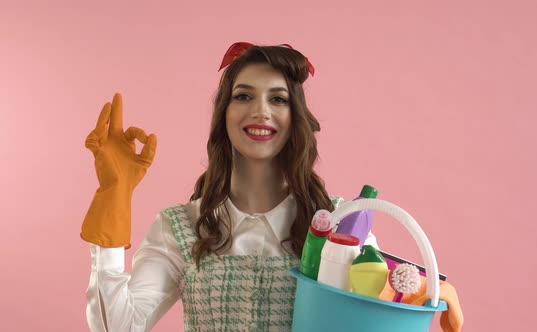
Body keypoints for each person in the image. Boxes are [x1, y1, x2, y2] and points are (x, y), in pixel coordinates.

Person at [81, 42, 379, 332]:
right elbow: (117, 328)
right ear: (224, 114)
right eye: (243, 96)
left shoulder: (342, 224)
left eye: (278, 99)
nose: (260, 111)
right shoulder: (181, 226)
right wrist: (114, 196)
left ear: (296, 116)